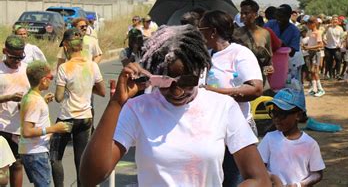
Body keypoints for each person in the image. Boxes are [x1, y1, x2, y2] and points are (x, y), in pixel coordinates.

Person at [79, 25, 271, 186]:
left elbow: (259, 179)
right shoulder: (138, 109)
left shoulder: (223, 107)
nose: (177, 91)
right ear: (153, 74)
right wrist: (116, 103)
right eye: (166, 81)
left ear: (201, 70)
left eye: (187, 81)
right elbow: (90, 177)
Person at [198, 10, 264, 187]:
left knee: (234, 181)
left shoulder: (239, 53)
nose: (199, 33)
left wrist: (216, 93)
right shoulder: (206, 55)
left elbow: (256, 88)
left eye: (201, 29)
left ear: (212, 31)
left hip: (237, 131)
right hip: (212, 131)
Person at [50, 29, 106, 187]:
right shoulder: (93, 66)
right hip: (86, 119)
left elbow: (58, 97)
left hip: (67, 118)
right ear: (81, 47)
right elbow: (102, 91)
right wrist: (87, 87)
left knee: (55, 157)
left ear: (66, 46)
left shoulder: (64, 68)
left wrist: (67, 88)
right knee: (81, 159)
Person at [258, 88, 325, 186]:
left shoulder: (310, 144)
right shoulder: (270, 138)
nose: (276, 119)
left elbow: (317, 174)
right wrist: (272, 177)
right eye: (274, 113)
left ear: (298, 115)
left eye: (282, 115)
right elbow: (258, 167)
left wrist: (300, 185)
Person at [19, 61, 70, 187]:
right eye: (50, 77)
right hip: (36, 152)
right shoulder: (35, 102)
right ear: (43, 80)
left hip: (31, 151)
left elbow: (32, 115)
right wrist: (54, 128)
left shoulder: (30, 97)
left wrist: (43, 102)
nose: (51, 80)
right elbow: (27, 131)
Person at [0, 35, 29, 187]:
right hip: (2, 128)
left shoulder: (26, 69)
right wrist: (9, 97)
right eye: (13, 57)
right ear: (5, 51)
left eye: (20, 57)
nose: (17, 61)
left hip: (20, 128)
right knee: (2, 171)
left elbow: (33, 94)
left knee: (18, 165)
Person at [233, 0, 274, 82]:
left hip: (260, 78)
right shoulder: (235, 34)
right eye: (242, 13)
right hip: (242, 77)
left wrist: (269, 69)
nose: (243, 16)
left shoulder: (265, 33)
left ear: (255, 15)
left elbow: (269, 59)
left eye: (246, 13)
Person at [303, 17, 325, 97]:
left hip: (315, 53)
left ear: (313, 24)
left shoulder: (318, 33)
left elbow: (320, 44)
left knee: (314, 71)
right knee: (311, 71)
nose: (307, 25)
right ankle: (314, 89)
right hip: (310, 53)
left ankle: (320, 89)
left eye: (308, 24)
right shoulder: (310, 32)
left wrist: (308, 48)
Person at [323, 15, 344, 80]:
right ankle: (331, 74)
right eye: (333, 19)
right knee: (329, 61)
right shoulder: (328, 27)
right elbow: (323, 34)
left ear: (338, 21)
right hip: (328, 47)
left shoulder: (340, 28)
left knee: (338, 60)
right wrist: (324, 40)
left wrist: (340, 43)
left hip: (336, 47)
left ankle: (338, 74)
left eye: (336, 20)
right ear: (331, 20)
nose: (335, 21)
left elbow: (342, 37)